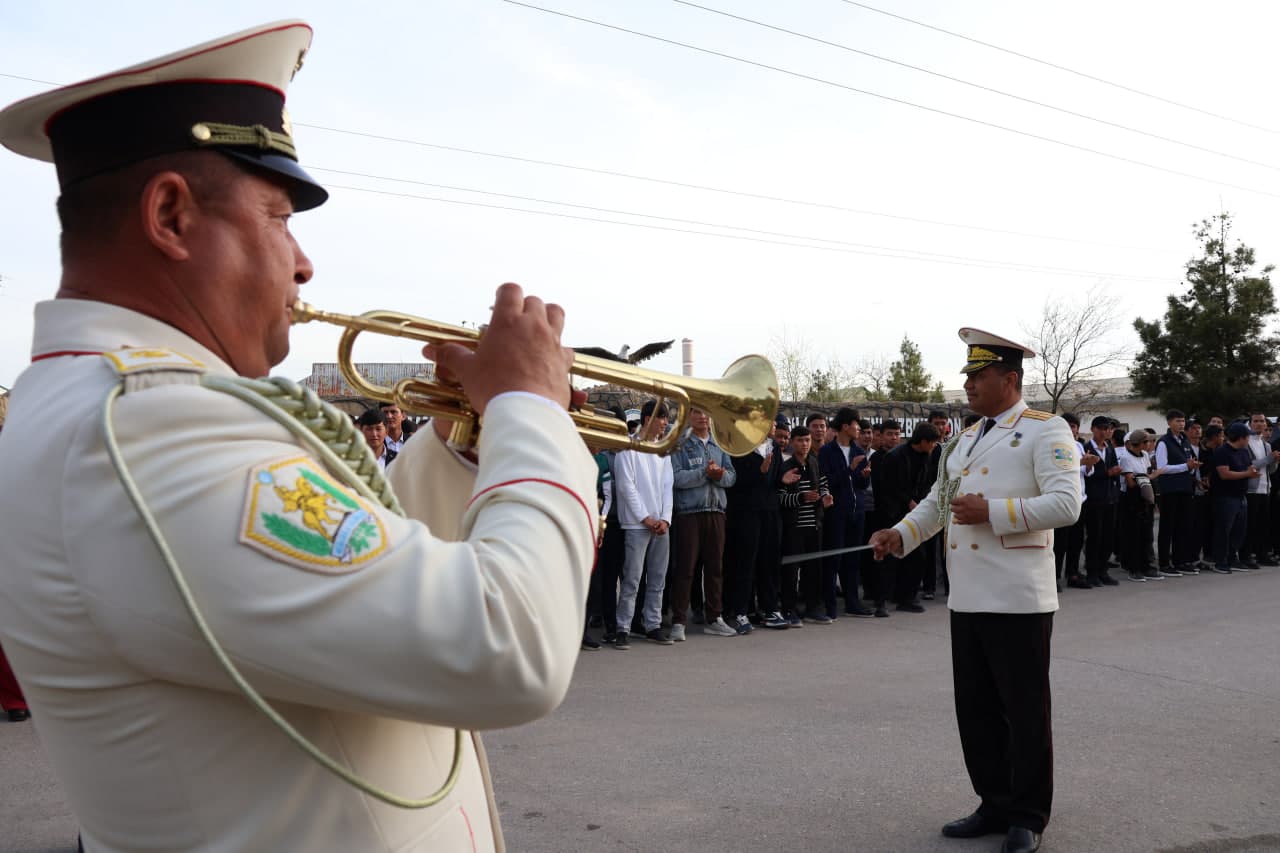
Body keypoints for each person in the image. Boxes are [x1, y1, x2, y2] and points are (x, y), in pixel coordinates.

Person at [0, 22, 598, 853]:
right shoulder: (141, 431)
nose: (305, 263)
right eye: (279, 216)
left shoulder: (131, 411)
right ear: (171, 215)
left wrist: (463, 443)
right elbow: (507, 646)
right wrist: (533, 407)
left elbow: (364, 563)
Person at [870, 328, 1080, 853]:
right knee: (977, 709)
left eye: (978, 376)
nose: (968, 384)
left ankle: (1027, 816)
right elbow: (939, 503)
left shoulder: (1045, 430)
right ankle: (993, 802)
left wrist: (995, 513)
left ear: (1009, 380)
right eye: (967, 375)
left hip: (1016, 596)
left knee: (1025, 710)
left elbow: (1066, 505)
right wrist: (901, 534)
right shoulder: (964, 439)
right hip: (967, 596)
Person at [668, 408, 739, 638]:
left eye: (706, 413)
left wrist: (719, 475)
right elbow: (676, 478)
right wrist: (704, 473)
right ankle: (678, 621)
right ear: (688, 417)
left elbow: (731, 477)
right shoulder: (680, 443)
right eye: (697, 412)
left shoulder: (720, 443)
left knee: (715, 568)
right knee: (686, 568)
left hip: (716, 510)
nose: (703, 417)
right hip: (689, 512)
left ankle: (714, 617)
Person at [612, 401, 675, 646]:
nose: (665, 423)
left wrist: (665, 519)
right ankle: (623, 627)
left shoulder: (663, 450)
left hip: (660, 525)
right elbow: (626, 487)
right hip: (637, 525)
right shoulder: (628, 447)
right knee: (632, 579)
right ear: (648, 419)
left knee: (658, 578)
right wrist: (645, 518)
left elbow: (667, 487)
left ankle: (653, 624)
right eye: (662, 418)